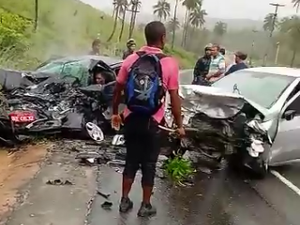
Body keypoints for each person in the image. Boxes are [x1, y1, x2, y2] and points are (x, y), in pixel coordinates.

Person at [111, 21, 184, 217]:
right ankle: (145, 205)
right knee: (149, 163)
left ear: (145, 37)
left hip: (131, 117)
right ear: (163, 38)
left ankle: (124, 201)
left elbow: (117, 89)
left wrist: (115, 112)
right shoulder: (169, 63)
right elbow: (174, 97)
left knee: (131, 159)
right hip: (154, 122)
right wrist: (180, 126)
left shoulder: (131, 59)